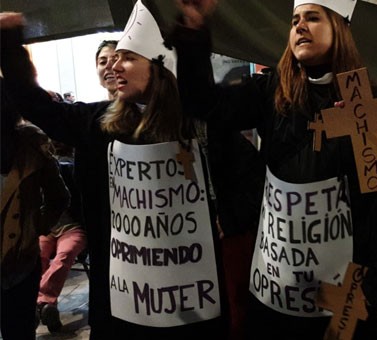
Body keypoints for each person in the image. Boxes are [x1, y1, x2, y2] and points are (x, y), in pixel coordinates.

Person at [0, 2, 230, 338]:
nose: (115, 67)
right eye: (114, 58)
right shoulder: (96, 124)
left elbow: (240, 184)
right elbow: (36, 105)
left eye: (129, 58)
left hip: (187, 292)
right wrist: (10, 47)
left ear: (159, 67)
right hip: (122, 295)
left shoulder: (198, 126)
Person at [172, 0, 377, 339]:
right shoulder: (271, 91)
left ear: (340, 28)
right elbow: (204, 103)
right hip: (277, 289)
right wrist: (193, 32)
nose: (300, 26)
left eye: (312, 18)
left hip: (343, 294)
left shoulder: (366, 101)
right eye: (295, 20)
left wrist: (370, 288)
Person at [0, 77, 70, 340]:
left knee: (19, 333)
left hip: (20, 267)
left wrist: (33, 228)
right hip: (21, 265)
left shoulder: (31, 145)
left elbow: (58, 197)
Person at [35, 91, 87, 333]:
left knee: (64, 256)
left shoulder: (73, 157)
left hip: (73, 226)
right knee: (39, 257)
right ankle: (46, 304)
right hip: (49, 225)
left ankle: (40, 302)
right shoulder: (39, 154)